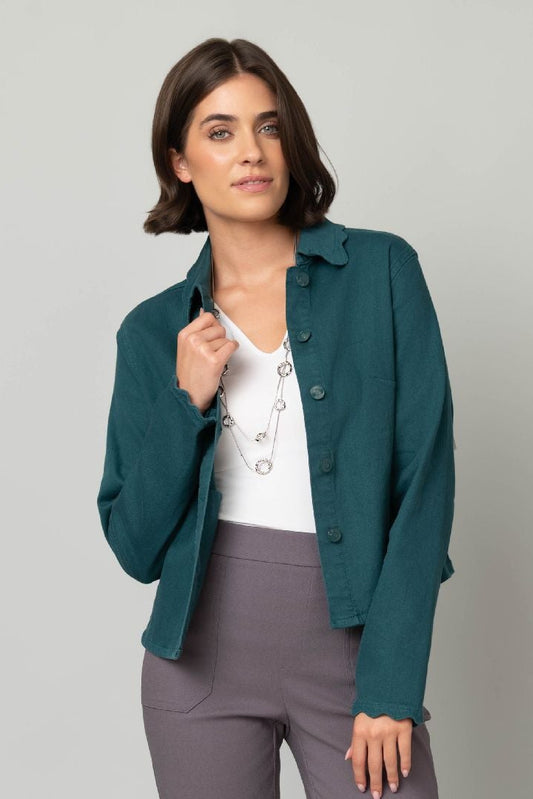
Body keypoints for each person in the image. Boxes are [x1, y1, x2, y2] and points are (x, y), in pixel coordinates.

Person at [96, 37, 456, 799]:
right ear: (180, 163)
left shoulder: (381, 273)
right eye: (219, 131)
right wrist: (184, 401)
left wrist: (389, 686)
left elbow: (422, 487)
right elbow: (134, 545)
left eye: (268, 126)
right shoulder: (152, 331)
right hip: (197, 669)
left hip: (353, 657)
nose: (251, 152)